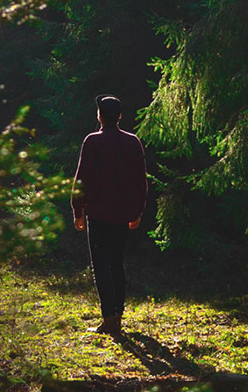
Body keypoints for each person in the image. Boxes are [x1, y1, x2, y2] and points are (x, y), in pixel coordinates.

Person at [71, 94, 147, 335]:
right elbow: (140, 182)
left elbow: (81, 180)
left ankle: (110, 319)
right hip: (122, 215)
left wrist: (78, 210)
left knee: (101, 265)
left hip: (98, 214)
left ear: (100, 116)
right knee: (116, 264)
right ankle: (117, 316)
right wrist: (137, 211)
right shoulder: (132, 142)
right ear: (120, 116)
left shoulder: (92, 141)